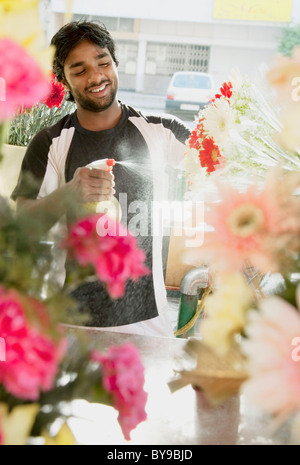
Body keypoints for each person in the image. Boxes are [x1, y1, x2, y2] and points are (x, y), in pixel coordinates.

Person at [12, 20, 191, 338]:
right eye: (79, 70)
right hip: (69, 324)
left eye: (103, 62)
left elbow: (220, 165)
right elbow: (22, 229)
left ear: (115, 62)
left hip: (148, 323)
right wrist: (69, 192)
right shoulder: (50, 142)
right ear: (63, 80)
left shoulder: (163, 131)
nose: (95, 76)